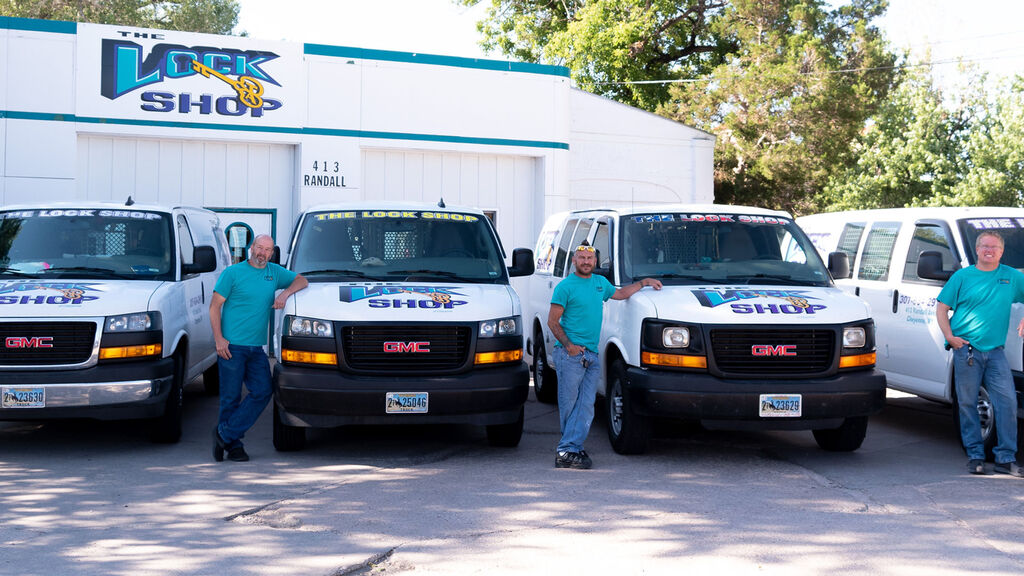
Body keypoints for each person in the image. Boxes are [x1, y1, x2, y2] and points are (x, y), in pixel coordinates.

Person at [548, 242, 662, 469]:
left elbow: (620, 293)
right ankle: (567, 450)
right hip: (570, 355)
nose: (586, 262)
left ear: (595, 262)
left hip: (591, 355)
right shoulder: (565, 287)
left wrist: (644, 282)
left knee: (586, 404)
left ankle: (572, 447)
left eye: (589, 258)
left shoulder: (601, 283)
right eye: (581, 258)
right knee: (570, 404)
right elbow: (552, 321)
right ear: (574, 261)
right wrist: (569, 346)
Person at [210, 234, 308, 462]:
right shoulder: (232, 273)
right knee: (230, 398)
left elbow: (302, 280)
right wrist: (219, 339)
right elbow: (214, 307)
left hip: (256, 348)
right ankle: (233, 446)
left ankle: (223, 433)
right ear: (251, 248)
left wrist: (284, 293)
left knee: (263, 391)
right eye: (260, 248)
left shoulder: (273, 273)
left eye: (268, 250)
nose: (263, 253)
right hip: (231, 346)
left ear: (272, 253)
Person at [936, 230, 1024, 477]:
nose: (989, 250)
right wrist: (950, 337)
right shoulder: (962, 277)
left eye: (994, 247)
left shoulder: (1010, 276)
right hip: (967, 350)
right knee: (967, 404)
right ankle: (975, 456)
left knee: (1007, 403)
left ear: (1002, 251)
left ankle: (1005, 459)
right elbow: (942, 308)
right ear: (977, 249)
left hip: (996, 353)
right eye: (985, 246)